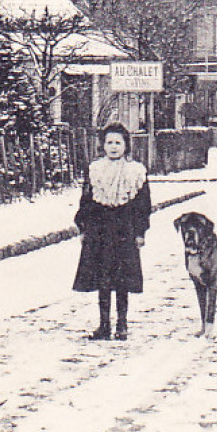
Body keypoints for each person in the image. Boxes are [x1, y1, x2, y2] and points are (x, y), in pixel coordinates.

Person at [72, 122, 152, 340]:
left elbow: (143, 205)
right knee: (103, 278)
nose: (114, 147)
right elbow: (86, 202)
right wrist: (84, 228)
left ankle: (122, 324)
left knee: (122, 278)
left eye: (118, 142)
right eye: (109, 143)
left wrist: (140, 232)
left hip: (124, 229)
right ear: (103, 146)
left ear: (126, 145)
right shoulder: (95, 170)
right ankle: (104, 324)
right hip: (100, 229)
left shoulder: (136, 172)